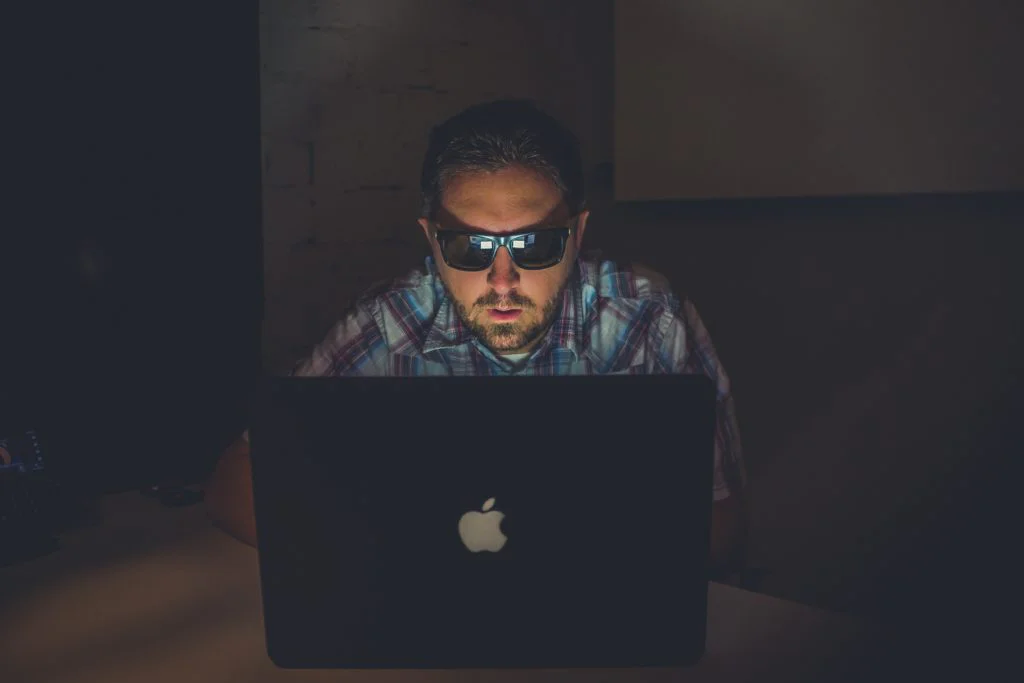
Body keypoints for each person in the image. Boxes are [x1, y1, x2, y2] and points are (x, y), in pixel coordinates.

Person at [205, 99, 749, 578]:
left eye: (534, 243)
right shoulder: (388, 322)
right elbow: (236, 480)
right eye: (470, 247)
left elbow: (720, 523)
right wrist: (376, 559)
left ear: (578, 234)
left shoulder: (650, 317)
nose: (503, 280)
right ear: (432, 241)